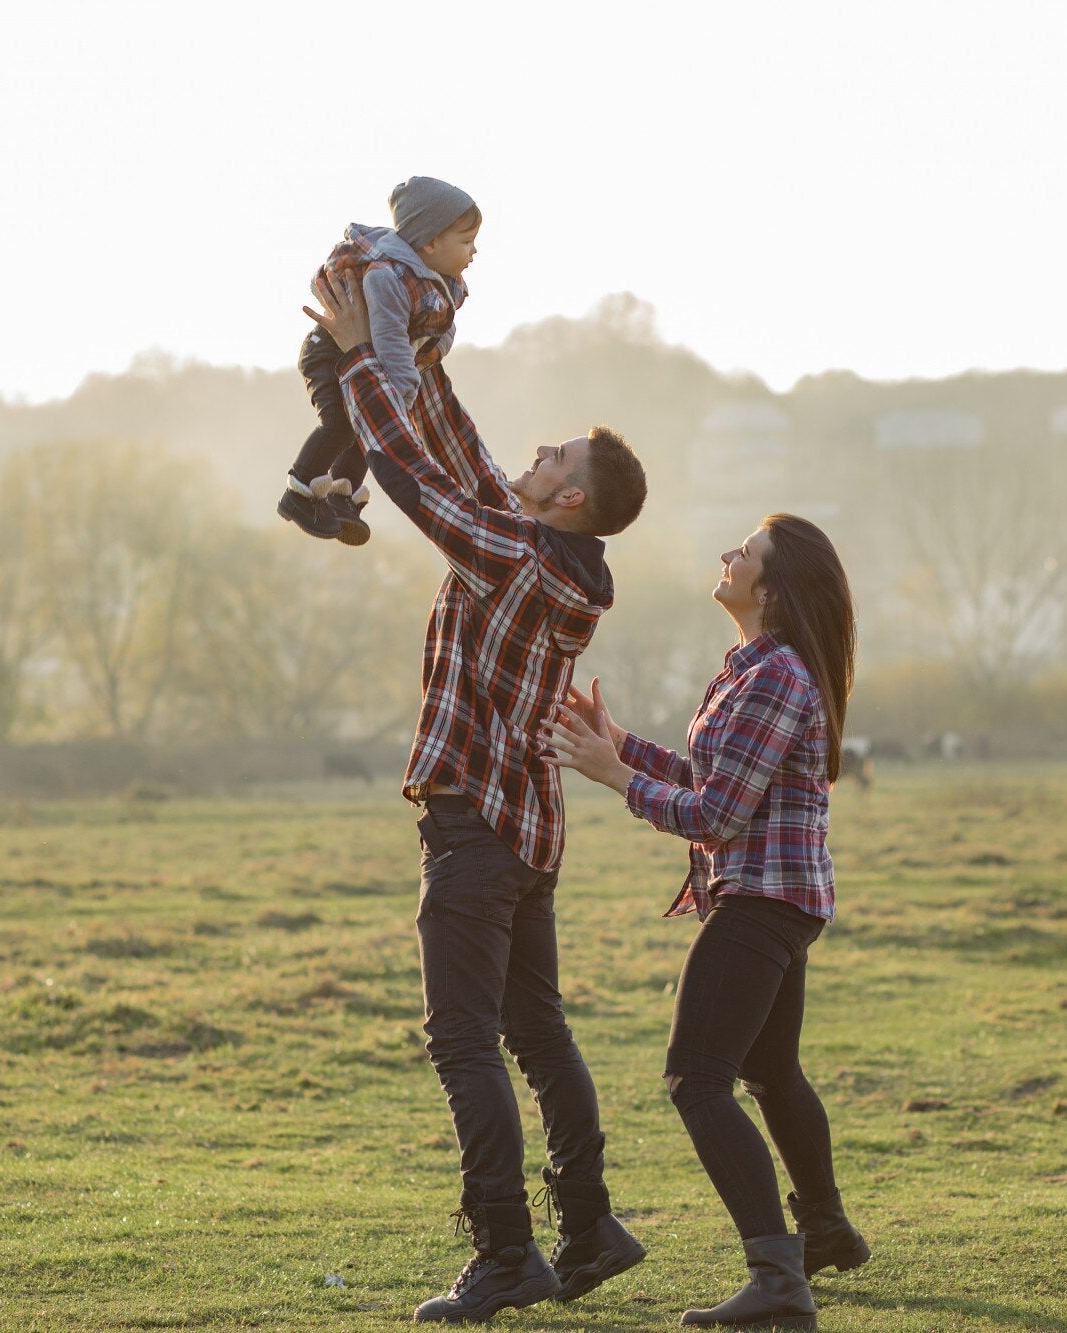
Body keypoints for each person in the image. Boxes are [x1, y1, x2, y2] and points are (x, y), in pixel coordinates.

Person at [304, 270, 651, 1323]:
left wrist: (364, 364)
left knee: (462, 1040)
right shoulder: (543, 544)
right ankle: (588, 1228)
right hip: (528, 832)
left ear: (571, 498)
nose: (532, 455)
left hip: (475, 832)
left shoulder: (521, 555)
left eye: (552, 456)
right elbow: (451, 442)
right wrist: (415, 351)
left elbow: (413, 482)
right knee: (537, 1033)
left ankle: (506, 1250)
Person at [547, 515, 870, 1331]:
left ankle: (777, 1275)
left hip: (760, 898)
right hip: (779, 895)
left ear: (771, 585)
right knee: (772, 1074)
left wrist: (615, 776)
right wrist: (622, 744)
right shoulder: (755, 667)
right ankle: (824, 1231)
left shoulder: (776, 676)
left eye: (745, 553)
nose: (728, 556)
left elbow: (719, 814)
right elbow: (712, 774)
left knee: (697, 1078)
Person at [279, 176, 480, 546]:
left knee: (365, 429)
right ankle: (300, 490)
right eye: (466, 242)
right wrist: (399, 396)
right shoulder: (388, 277)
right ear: (430, 242)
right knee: (341, 424)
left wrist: (434, 351)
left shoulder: (443, 281)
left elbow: (444, 323)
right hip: (329, 353)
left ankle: (343, 497)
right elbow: (389, 341)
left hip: (364, 359)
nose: (475, 251)